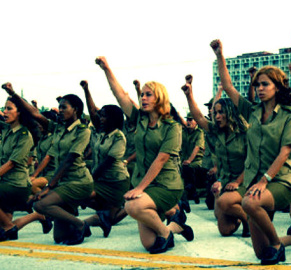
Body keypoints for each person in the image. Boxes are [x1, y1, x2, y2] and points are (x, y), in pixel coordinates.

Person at [211, 39, 291, 265]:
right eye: (257, 84)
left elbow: (285, 151)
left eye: (265, 84)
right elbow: (228, 86)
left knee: (249, 202)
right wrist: (220, 55)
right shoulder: (252, 111)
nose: (259, 88)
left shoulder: (290, 115)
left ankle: (278, 245)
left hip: (280, 181)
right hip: (255, 181)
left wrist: (264, 180)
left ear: (277, 87)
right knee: (261, 252)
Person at [95, 56, 193, 254]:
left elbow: (161, 159)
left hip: (167, 185)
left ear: (159, 98)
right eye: (142, 95)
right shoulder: (139, 118)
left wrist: (139, 188)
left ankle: (165, 234)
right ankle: (175, 227)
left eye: (148, 95)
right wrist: (106, 69)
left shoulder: (172, 128)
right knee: (149, 243)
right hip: (146, 183)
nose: (143, 98)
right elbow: (120, 94)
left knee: (132, 206)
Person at [5, 84, 94, 245]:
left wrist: (49, 187)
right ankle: (70, 213)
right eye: (59, 107)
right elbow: (35, 114)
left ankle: (81, 224)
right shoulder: (58, 128)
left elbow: (70, 159)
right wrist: (13, 93)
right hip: (63, 183)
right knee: (59, 238)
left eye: (64, 107)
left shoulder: (83, 130)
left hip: (78, 182)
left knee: (41, 204)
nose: (60, 110)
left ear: (75, 109)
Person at [181, 81, 250, 237]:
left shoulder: (245, 133)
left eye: (221, 113)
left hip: (245, 181)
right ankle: (239, 212)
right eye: (215, 113)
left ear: (230, 113)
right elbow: (198, 117)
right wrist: (189, 95)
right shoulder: (216, 131)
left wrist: (237, 182)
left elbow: (252, 164)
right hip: (226, 181)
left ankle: (248, 220)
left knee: (223, 203)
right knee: (225, 230)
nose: (217, 117)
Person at [80, 80, 130, 237]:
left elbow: (108, 162)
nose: (100, 119)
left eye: (104, 117)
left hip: (116, 182)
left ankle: (128, 206)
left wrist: (90, 178)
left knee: (113, 219)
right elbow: (92, 111)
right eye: (101, 116)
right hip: (101, 180)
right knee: (82, 196)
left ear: (113, 119)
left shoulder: (118, 137)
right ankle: (103, 212)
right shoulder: (100, 132)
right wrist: (86, 90)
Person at [0, 86, 35, 241]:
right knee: (4, 231)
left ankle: (8, 227)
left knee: (5, 227)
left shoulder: (24, 135)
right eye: (4, 108)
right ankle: (37, 216)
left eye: (9, 109)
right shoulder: (7, 130)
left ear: (19, 112)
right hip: (6, 183)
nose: (5, 112)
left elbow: (11, 164)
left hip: (17, 185)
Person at [181, 111, 205, 204]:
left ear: (196, 121)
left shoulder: (199, 133)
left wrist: (189, 161)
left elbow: (197, 147)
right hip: (184, 160)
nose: (188, 122)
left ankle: (191, 190)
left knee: (189, 167)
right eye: (187, 119)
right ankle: (191, 191)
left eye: (191, 120)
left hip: (197, 160)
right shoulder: (183, 132)